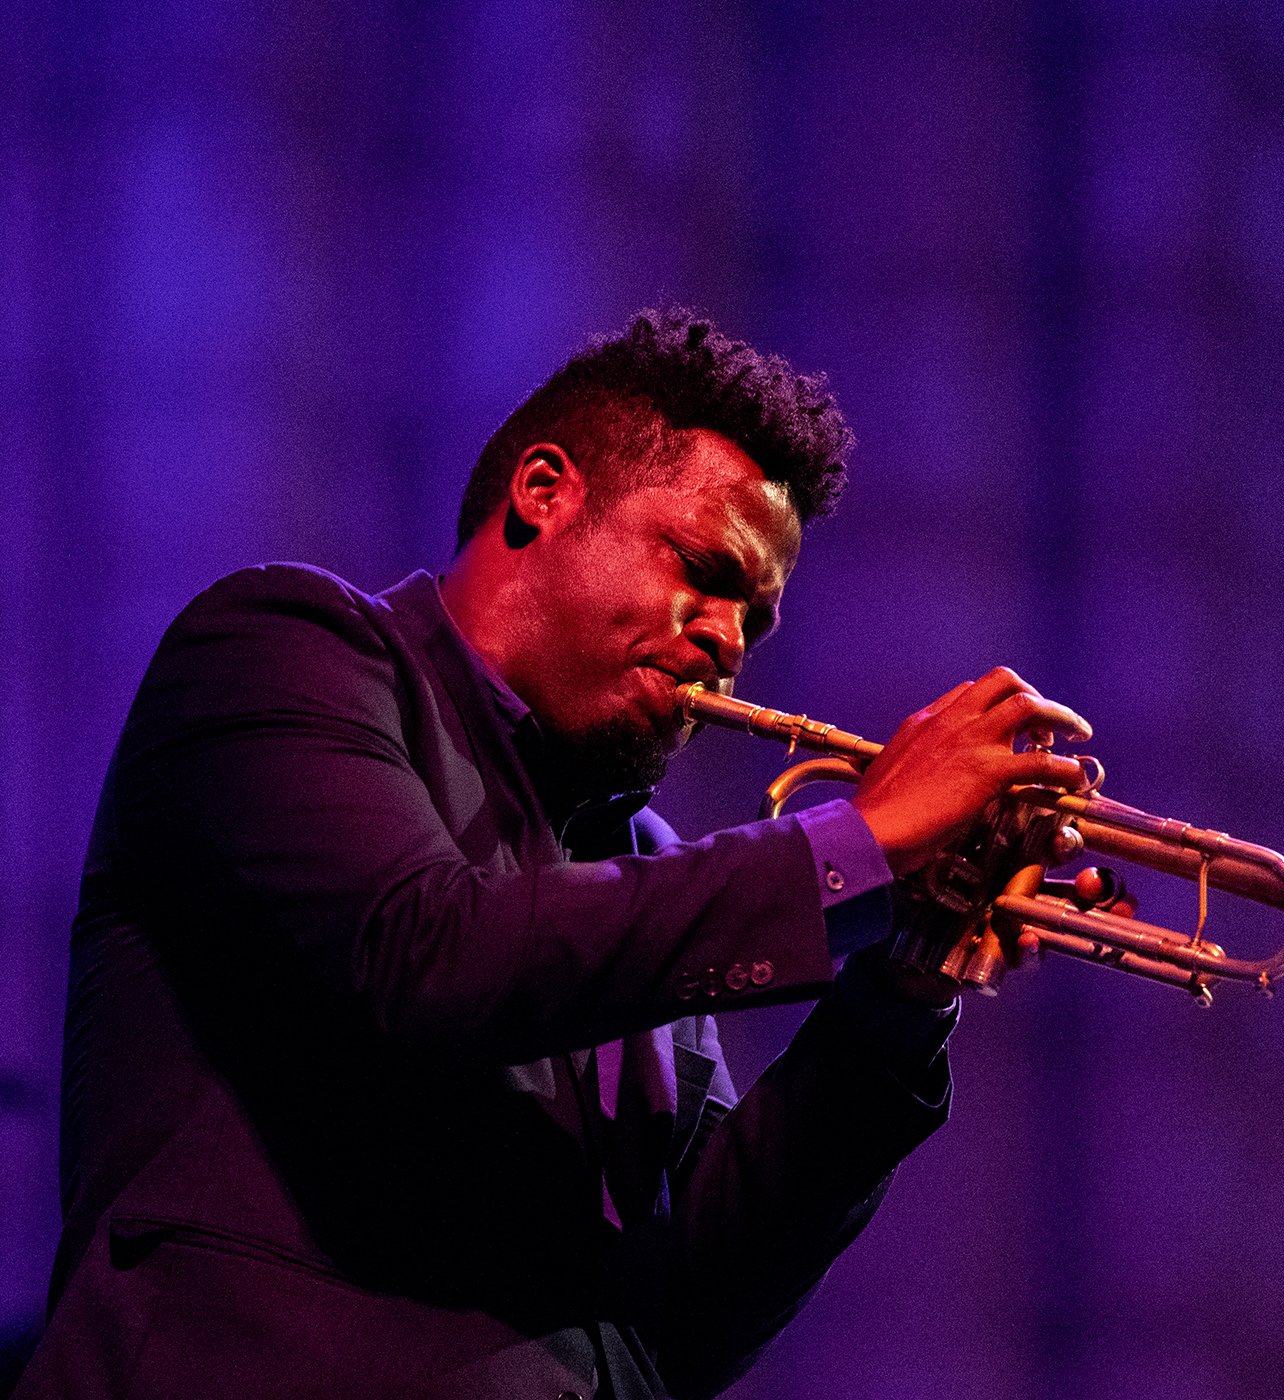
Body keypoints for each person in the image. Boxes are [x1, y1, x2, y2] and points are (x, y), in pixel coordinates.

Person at [15, 310, 1089, 1400]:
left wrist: (903, 983)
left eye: (754, 620)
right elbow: (428, 954)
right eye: (704, 569)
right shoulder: (284, 650)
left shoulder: (647, 863)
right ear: (544, 491)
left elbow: (694, 1309)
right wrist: (859, 840)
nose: (726, 637)